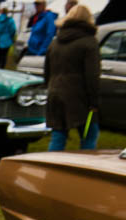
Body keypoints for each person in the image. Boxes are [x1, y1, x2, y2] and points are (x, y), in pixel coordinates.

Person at [45, 3, 99, 151]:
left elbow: (47, 71)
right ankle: (84, 170)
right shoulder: (89, 43)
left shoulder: (55, 42)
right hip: (79, 98)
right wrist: (94, 102)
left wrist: (49, 88)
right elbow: (92, 75)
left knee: (58, 136)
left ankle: (51, 168)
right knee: (89, 134)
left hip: (55, 93)